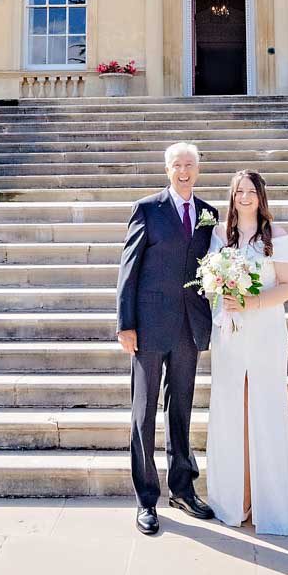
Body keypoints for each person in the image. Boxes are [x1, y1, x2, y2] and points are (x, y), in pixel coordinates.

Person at [115, 141, 218, 535]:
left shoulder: (209, 213)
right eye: (177, 165)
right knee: (143, 413)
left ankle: (182, 488)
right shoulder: (147, 209)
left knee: (182, 411)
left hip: (189, 328)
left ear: (198, 168)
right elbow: (129, 269)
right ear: (168, 169)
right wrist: (126, 324)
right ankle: (146, 499)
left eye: (190, 164)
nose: (184, 171)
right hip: (148, 326)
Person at [203, 168, 288, 535]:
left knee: (263, 406)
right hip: (229, 335)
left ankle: (268, 501)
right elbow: (210, 284)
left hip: (264, 331)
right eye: (238, 191)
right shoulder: (217, 236)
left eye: (250, 191)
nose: (244, 197)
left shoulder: (277, 237)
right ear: (231, 197)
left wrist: (252, 302)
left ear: (261, 196)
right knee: (231, 409)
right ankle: (235, 498)